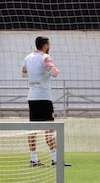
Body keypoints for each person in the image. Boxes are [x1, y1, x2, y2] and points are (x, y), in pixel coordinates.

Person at [22, 36, 71, 167]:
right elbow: (54, 73)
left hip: (32, 96)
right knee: (49, 129)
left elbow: (24, 73)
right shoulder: (45, 57)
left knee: (32, 129)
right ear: (45, 45)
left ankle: (34, 159)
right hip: (44, 96)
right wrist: (52, 71)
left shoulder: (28, 58)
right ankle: (55, 159)